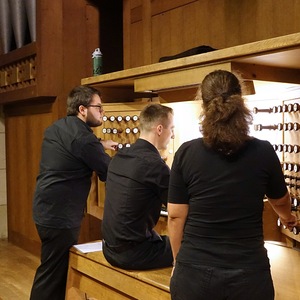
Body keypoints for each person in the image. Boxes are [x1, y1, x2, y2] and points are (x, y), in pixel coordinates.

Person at [167, 70, 298, 300]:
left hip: (194, 272)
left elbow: (176, 216)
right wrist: (286, 216)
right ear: (241, 103)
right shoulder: (263, 151)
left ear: (203, 105)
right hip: (249, 272)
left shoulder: (186, 152)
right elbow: (280, 199)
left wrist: (180, 263)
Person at [30, 85, 118, 300]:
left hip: (44, 210)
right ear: (82, 109)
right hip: (61, 216)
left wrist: (99, 143)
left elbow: (74, 145)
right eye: (98, 108)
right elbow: (109, 171)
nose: (102, 113)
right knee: (52, 276)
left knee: (52, 270)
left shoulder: (58, 127)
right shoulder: (84, 140)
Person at [102, 103, 175, 270]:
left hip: (108, 247)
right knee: (191, 248)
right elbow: (178, 207)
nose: (172, 135)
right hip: (134, 254)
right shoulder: (155, 165)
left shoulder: (120, 157)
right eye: (171, 129)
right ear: (159, 129)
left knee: (162, 238)